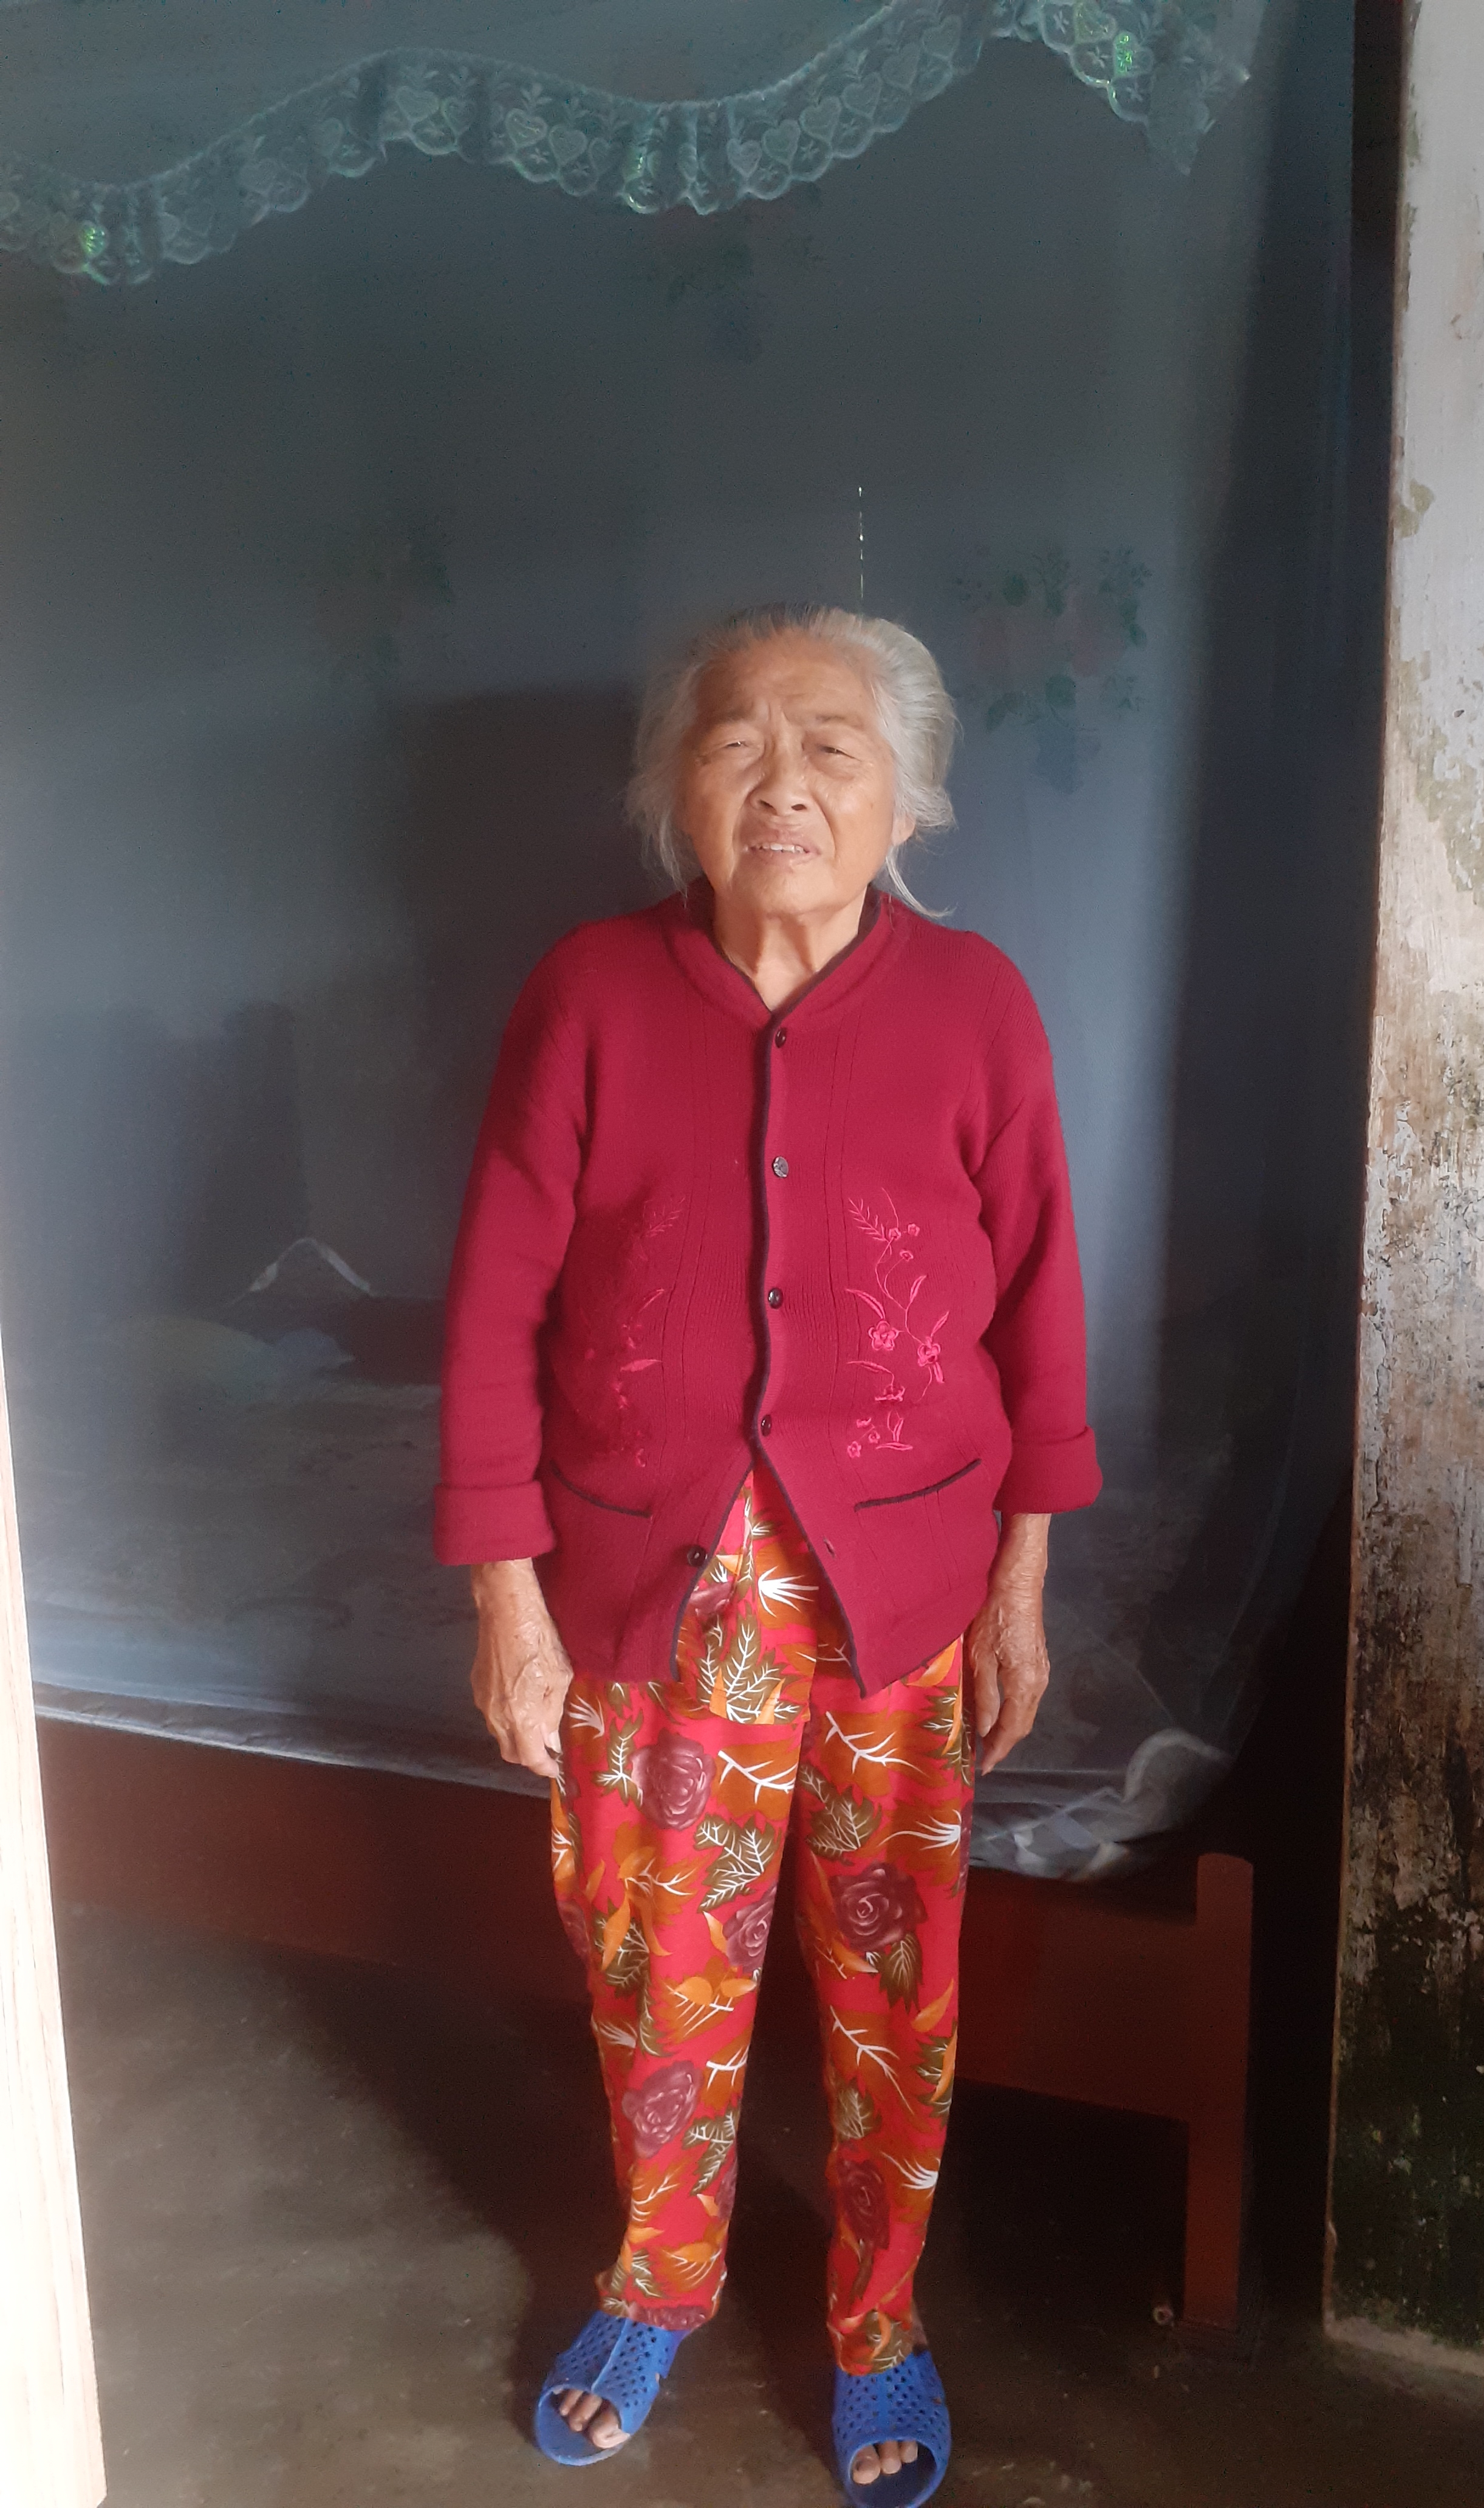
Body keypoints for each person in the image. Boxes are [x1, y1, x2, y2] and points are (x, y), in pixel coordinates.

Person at [434, 604, 1099, 2503]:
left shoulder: (978, 1006)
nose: (782, 783)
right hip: (653, 1590)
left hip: (903, 1594)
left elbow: (1042, 1313)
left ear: (909, 801)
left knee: (896, 1991)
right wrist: (506, 1599)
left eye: (831, 746)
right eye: (737, 741)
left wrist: (1024, 1586)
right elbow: (494, 1305)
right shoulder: (589, 993)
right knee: (657, 1969)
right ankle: (660, 2278)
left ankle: (879, 2320)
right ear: (677, 786)